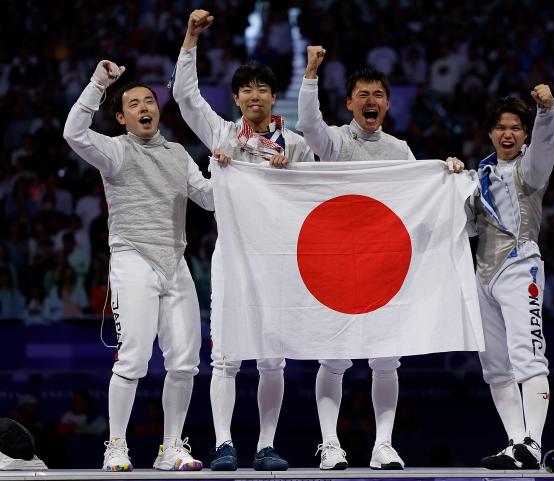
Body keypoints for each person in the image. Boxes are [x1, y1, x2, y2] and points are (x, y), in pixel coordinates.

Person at [297, 46, 464, 471]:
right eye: (362, 94)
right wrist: (312, 74)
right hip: (337, 264)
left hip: (382, 267)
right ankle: (330, 444)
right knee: (333, 357)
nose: (371, 101)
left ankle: (383, 445)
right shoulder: (334, 142)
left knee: (387, 357)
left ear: (388, 103)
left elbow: (418, 199)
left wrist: (445, 175)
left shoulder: (400, 149)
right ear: (349, 102)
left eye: (378, 94)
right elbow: (307, 124)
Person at [172, 9, 314, 472]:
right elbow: (184, 96)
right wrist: (192, 38)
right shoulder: (223, 135)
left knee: (273, 360)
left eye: (263, 89)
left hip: (278, 261)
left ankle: (267, 445)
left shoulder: (293, 146)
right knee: (226, 356)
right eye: (247, 89)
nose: (255, 96)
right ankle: (223, 444)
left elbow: (315, 201)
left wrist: (289, 175)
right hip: (232, 257)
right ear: (236, 98)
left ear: (275, 98)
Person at [63, 59, 214, 472]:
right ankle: (116, 445)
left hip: (175, 262)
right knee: (133, 359)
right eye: (134, 103)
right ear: (121, 116)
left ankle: (170, 448)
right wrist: (97, 83)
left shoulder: (179, 154)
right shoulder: (114, 150)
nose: (145, 107)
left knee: (185, 361)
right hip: (133, 259)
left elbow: (210, 198)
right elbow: (73, 132)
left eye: (150, 100)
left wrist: (232, 167)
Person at [470, 86, 554, 470]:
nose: (508, 134)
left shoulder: (531, 169)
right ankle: (515, 443)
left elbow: (545, 145)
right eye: (501, 127)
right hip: (482, 277)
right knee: (495, 366)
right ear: (490, 132)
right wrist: (453, 176)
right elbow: (468, 227)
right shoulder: (481, 173)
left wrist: (547, 111)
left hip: (521, 269)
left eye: (516, 128)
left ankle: (533, 444)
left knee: (529, 358)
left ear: (525, 133)